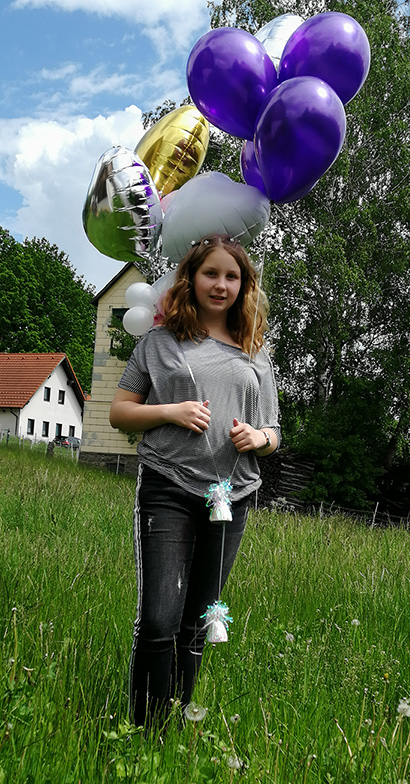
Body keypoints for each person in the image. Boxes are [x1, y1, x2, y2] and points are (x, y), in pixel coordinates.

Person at [109, 233, 280, 730]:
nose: (221, 284)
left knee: (199, 621)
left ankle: (177, 719)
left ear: (244, 284)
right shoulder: (159, 343)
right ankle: (142, 729)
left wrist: (258, 437)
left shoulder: (255, 350)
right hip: (168, 487)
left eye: (232, 276)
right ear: (191, 278)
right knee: (160, 618)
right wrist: (171, 411)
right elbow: (120, 412)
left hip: (232, 498)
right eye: (211, 273)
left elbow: (275, 431)